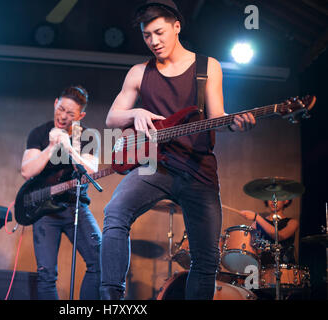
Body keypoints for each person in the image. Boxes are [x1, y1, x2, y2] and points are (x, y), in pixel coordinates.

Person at [100, 0, 256, 300]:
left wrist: (235, 124)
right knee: (115, 212)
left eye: (159, 32)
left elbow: (218, 117)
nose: (154, 41)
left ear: (177, 26)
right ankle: (111, 301)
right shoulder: (138, 72)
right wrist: (135, 114)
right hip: (155, 166)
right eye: (147, 36)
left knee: (206, 258)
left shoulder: (207, 66)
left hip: (199, 169)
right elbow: (111, 118)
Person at [20, 85, 101, 300]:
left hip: (76, 206)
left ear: (81, 116)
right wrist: (50, 147)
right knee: (46, 274)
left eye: (70, 114)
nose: (63, 116)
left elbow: (91, 170)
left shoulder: (89, 136)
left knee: (100, 261)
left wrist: (70, 147)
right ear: (55, 103)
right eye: (61, 109)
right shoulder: (39, 133)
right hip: (45, 211)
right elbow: (27, 170)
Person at [240, 200, 299, 265]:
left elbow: (279, 236)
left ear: (286, 201)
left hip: (286, 268)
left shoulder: (293, 222)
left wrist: (257, 217)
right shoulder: (256, 224)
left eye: (277, 197)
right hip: (263, 269)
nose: (273, 201)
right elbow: (249, 247)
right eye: (270, 197)